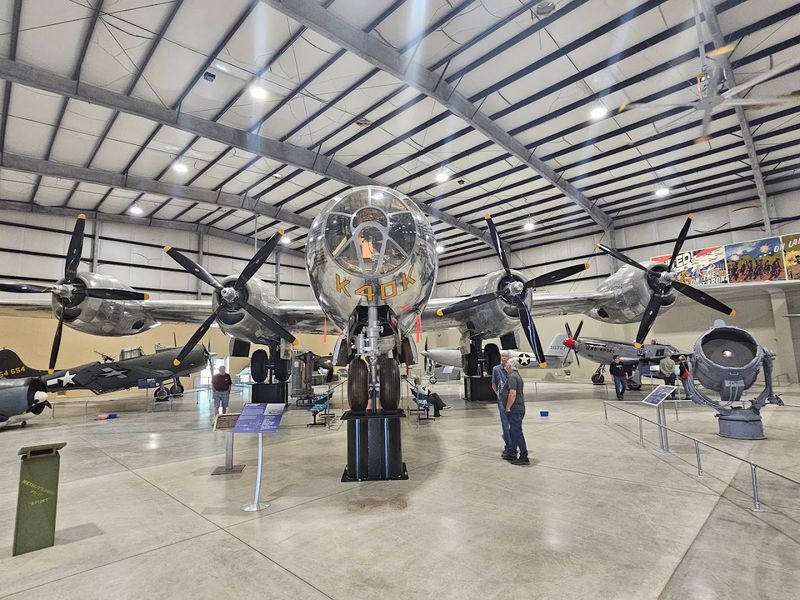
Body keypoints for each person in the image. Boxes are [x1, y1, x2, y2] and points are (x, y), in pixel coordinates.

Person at [502, 358, 529, 466]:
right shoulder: (515, 375)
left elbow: (512, 393)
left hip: (515, 409)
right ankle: (512, 453)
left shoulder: (512, 376)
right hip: (518, 408)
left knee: (517, 433)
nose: (505, 365)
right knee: (513, 432)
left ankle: (524, 457)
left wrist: (508, 407)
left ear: (511, 366)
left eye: (507, 363)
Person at [491, 351, 512, 460]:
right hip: (502, 400)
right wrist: (499, 395)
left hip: (512, 399)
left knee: (513, 423)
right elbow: (494, 384)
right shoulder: (496, 369)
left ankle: (512, 444)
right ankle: (508, 445)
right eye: (502, 356)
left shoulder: (511, 369)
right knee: (505, 424)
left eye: (506, 356)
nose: (504, 358)